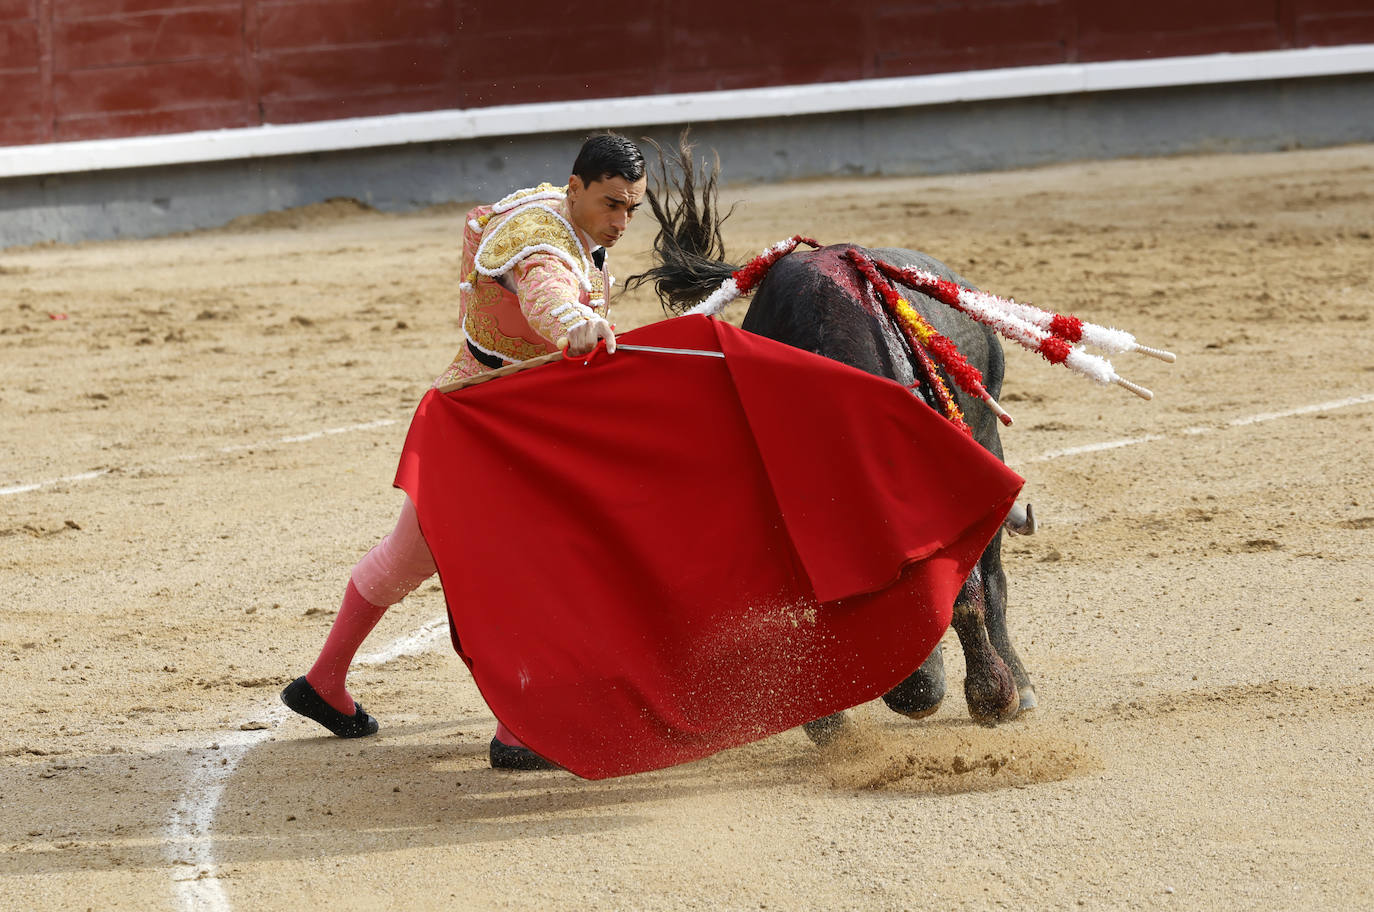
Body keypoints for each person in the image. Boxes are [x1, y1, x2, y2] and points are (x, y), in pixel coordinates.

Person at [281, 133, 648, 770]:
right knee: (532, 567)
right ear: (577, 186)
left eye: (632, 210)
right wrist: (573, 325)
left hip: (484, 412)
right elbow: (544, 291)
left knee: (407, 558)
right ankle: (513, 729)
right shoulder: (538, 239)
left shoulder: (560, 215)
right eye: (612, 205)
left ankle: (323, 684)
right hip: (488, 428)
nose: (620, 223)